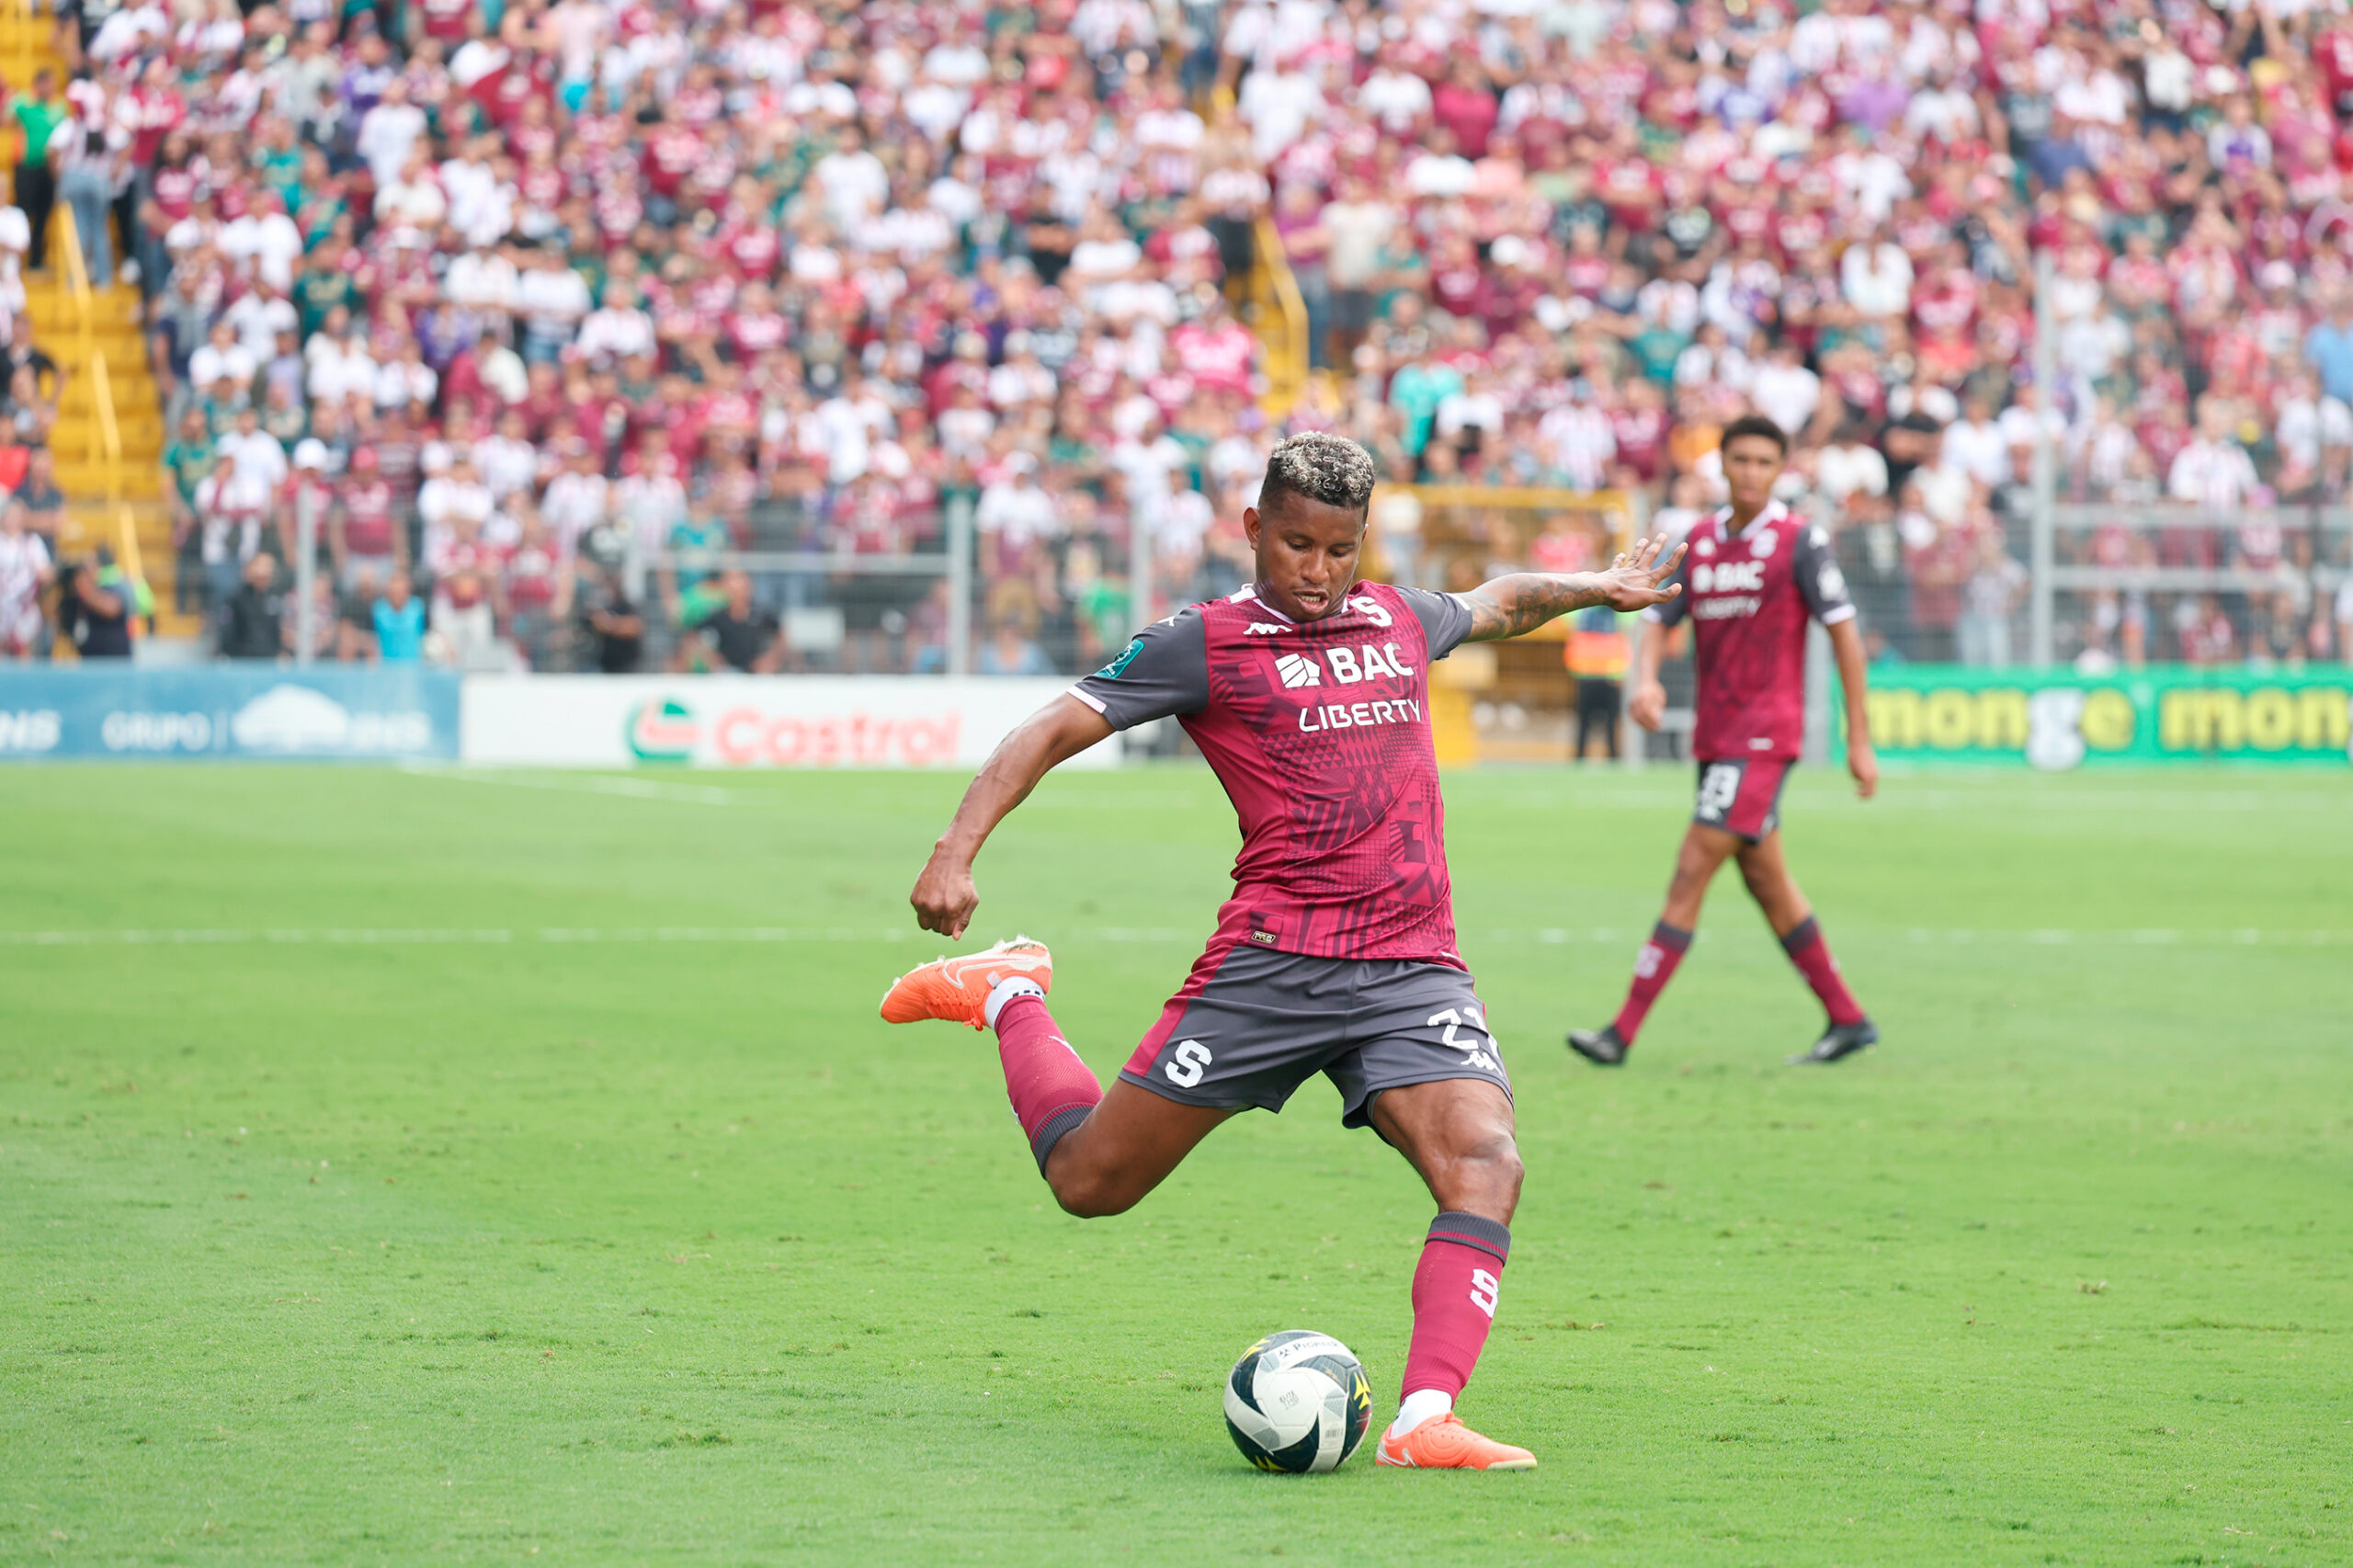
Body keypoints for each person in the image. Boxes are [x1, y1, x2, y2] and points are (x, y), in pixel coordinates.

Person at [879, 433, 1686, 1471]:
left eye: (1340, 550)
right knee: (1089, 1180)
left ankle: (1423, 1417)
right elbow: (1050, 727)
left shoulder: (1399, 617)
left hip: (1411, 966)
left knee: (1486, 1163)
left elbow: (1501, 600)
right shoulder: (1203, 643)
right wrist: (954, 851)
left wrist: (1599, 588)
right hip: (1273, 966)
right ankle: (1009, 994)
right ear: (1255, 528)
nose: (1318, 571)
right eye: (1297, 545)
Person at [1568, 415, 1880, 1069]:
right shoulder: (1702, 542)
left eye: (1764, 462)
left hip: (1764, 738)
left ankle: (1620, 1032)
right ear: (1723, 465)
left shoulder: (1800, 541)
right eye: (1740, 460)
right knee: (1767, 881)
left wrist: (1859, 738)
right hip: (1717, 737)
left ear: (1780, 470)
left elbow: (1844, 633)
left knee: (1691, 869)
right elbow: (1658, 616)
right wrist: (1645, 680)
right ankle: (1849, 1019)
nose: (1751, 473)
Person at [216, 551, 286, 660]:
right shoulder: (235, 599)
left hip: (269, 660)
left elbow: (278, 631)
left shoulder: (276, 598)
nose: (265, 573)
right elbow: (227, 632)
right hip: (242, 660)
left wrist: (281, 652)